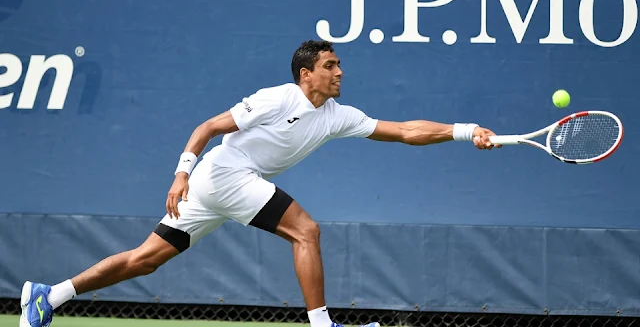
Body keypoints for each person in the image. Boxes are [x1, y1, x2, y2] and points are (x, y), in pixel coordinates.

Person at [19, 40, 500, 327]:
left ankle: (49, 294)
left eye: (339, 65)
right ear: (305, 73)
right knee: (306, 231)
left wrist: (465, 131)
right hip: (223, 174)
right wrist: (181, 171)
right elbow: (207, 128)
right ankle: (321, 325)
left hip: (217, 186)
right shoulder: (277, 98)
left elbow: (405, 132)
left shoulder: (336, 116)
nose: (340, 72)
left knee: (145, 261)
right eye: (331, 66)